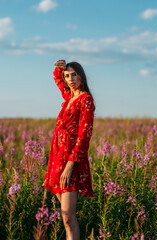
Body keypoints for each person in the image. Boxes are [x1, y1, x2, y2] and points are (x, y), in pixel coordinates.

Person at [42, 59, 95, 240]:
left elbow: (84, 134)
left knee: (68, 217)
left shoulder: (85, 99)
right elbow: (57, 79)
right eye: (67, 75)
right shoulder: (69, 98)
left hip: (71, 161)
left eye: (74, 74)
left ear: (81, 76)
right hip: (57, 159)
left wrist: (70, 165)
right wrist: (59, 68)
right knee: (65, 216)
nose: (70, 78)